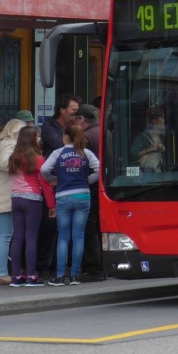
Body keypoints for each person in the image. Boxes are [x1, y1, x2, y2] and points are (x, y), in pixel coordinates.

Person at [41, 120, 100, 286]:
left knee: (63, 237)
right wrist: (87, 180)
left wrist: (53, 179)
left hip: (63, 196)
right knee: (79, 236)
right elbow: (99, 170)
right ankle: (75, 275)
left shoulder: (57, 153)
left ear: (66, 136)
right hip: (83, 196)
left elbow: (44, 169)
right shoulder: (85, 153)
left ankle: (60, 275)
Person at [8, 126, 55, 287]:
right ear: (31, 139)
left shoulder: (13, 157)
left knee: (18, 236)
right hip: (32, 198)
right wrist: (51, 205)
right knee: (31, 237)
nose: (39, 139)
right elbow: (45, 184)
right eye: (37, 137)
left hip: (16, 198)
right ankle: (31, 275)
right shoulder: (37, 158)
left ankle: (16, 276)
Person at [0, 119, 23, 285]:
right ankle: (1, 273)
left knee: (0, 236)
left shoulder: (2, 143)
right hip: (3, 195)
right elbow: (6, 164)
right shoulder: (9, 144)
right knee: (4, 236)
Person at [76, 104, 105, 282]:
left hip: (89, 187)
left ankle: (94, 268)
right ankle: (102, 264)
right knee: (99, 227)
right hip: (103, 186)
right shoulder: (106, 132)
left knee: (88, 227)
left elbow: (80, 163)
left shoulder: (85, 137)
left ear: (81, 120)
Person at [132, 107, 167, 172]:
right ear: (154, 121)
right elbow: (133, 155)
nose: (165, 121)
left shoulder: (165, 137)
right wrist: (149, 150)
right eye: (163, 118)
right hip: (149, 177)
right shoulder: (142, 138)